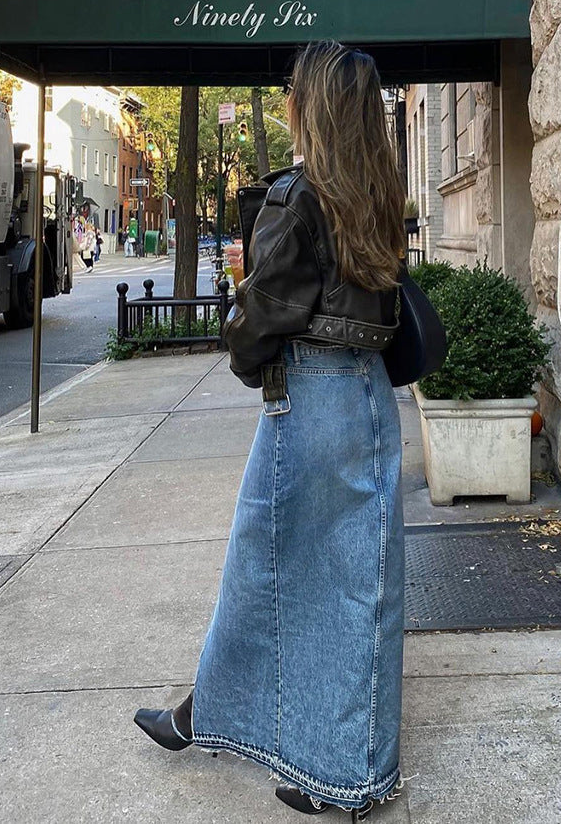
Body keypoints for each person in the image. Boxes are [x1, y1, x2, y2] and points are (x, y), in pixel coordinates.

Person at [134, 40, 406, 820]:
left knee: (263, 573)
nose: (284, 96)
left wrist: (245, 351)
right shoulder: (381, 195)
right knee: (360, 585)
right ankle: (346, 773)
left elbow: (261, 321)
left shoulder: (297, 196)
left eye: (292, 88)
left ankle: (211, 716)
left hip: (312, 396)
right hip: (370, 397)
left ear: (310, 105)